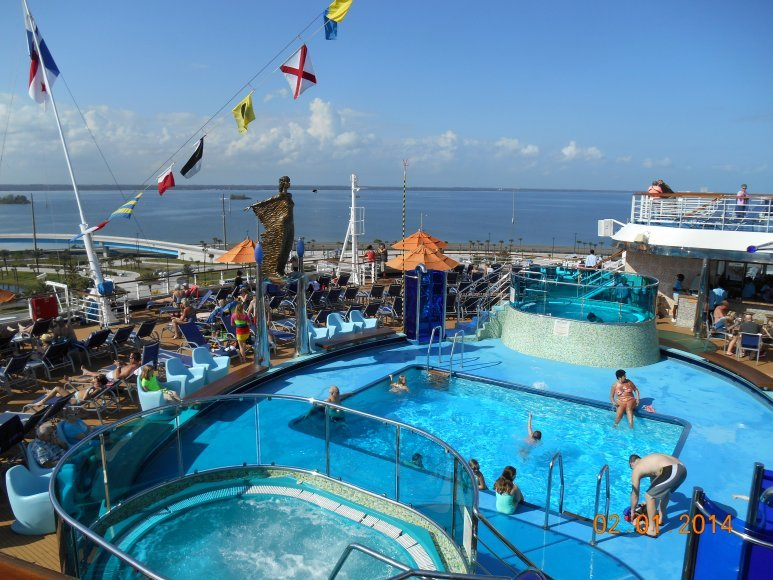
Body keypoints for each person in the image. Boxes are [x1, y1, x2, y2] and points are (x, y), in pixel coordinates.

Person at [629, 453, 687, 537]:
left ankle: (652, 530)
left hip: (674, 470)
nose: (633, 470)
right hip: (682, 470)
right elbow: (656, 493)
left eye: (631, 468)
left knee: (649, 496)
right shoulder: (649, 462)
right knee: (664, 492)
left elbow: (635, 494)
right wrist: (648, 504)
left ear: (632, 464)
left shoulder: (636, 468)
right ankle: (661, 518)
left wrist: (632, 511)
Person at [30, 374, 108, 411]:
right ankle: (50, 392)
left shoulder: (97, 389)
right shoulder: (99, 386)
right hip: (75, 394)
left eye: (95, 380)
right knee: (61, 392)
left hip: (74, 400)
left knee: (57, 388)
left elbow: (85, 398)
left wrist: (89, 389)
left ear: (100, 383)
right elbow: (89, 380)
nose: (93, 380)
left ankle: (42, 401)